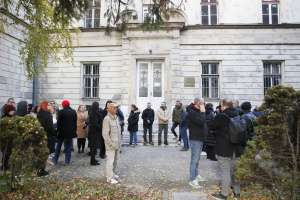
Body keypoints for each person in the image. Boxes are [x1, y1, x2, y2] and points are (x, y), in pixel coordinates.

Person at [210, 99, 242, 200]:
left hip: (224, 148)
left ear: (223, 105)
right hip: (236, 148)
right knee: (235, 172)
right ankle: (237, 193)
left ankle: (224, 194)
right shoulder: (238, 114)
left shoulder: (221, 116)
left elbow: (211, 126)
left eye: (220, 105)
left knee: (225, 171)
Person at [187, 98, 207, 189]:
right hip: (195, 139)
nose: (204, 105)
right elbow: (201, 121)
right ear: (197, 103)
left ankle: (196, 175)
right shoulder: (192, 112)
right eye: (202, 103)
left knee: (197, 159)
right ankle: (192, 179)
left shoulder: (197, 111)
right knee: (194, 160)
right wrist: (203, 112)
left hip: (200, 138)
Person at [51, 100, 77, 165]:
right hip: (70, 133)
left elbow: (58, 123)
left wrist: (57, 131)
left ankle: (55, 160)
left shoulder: (61, 112)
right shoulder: (73, 112)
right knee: (68, 147)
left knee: (58, 147)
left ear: (63, 105)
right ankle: (67, 161)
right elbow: (75, 123)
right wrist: (74, 131)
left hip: (61, 133)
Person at [102, 102, 121, 184]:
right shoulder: (107, 119)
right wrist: (111, 144)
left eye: (116, 108)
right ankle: (109, 178)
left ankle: (112, 174)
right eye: (114, 108)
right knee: (110, 161)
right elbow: (105, 134)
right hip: (111, 145)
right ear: (109, 109)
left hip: (117, 144)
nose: (116, 109)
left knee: (115, 161)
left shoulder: (116, 117)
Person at [1, 104, 16, 170]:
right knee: (5, 154)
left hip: (11, 141)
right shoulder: (4, 119)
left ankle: (7, 166)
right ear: (8, 111)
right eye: (12, 110)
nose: (13, 112)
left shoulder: (12, 118)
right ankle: (4, 166)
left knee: (9, 154)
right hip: (5, 141)